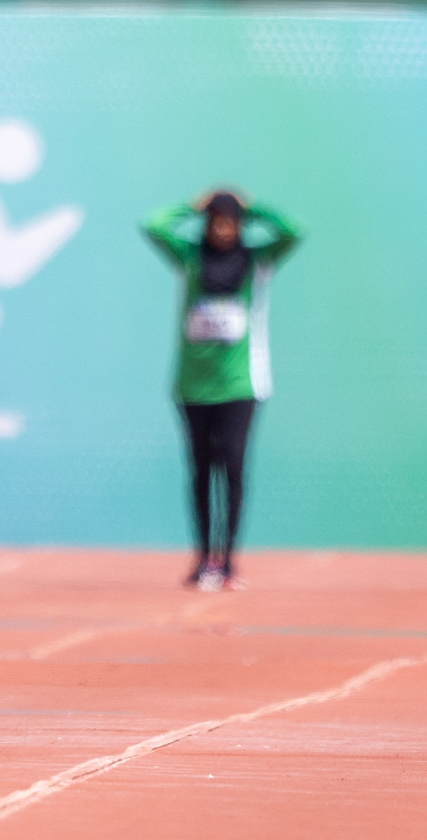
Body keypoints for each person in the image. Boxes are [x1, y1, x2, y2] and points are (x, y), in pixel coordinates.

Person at [144, 190, 303, 592]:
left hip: (240, 385)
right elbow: (153, 225)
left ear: (239, 225)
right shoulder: (189, 258)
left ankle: (228, 560)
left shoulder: (258, 262)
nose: (222, 229)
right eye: (215, 222)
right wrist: (189, 205)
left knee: (231, 468)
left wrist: (255, 207)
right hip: (193, 386)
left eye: (230, 222)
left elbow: (293, 232)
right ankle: (202, 559)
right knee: (200, 471)